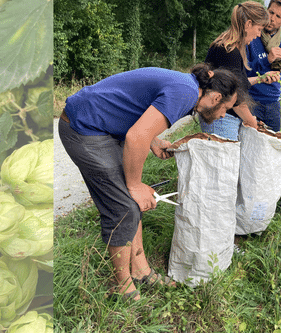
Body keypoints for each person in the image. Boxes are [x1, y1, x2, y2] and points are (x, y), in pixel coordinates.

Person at [58, 64, 248, 301]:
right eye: (226, 109)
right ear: (216, 98)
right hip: (84, 127)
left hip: (102, 127)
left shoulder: (188, 89)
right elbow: (136, 137)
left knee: (130, 202)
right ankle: (122, 287)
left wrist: (154, 140)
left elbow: (138, 115)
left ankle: (140, 271)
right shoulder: (186, 93)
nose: (223, 115)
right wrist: (135, 186)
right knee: (123, 208)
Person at [200, 1, 281, 140]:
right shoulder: (229, 52)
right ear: (248, 24)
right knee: (226, 162)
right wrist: (251, 121)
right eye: (259, 29)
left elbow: (239, 83)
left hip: (224, 117)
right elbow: (235, 96)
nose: (258, 35)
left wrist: (261, 78)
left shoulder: (231, 48)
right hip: (221, 118)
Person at [246, 0, 281, 132]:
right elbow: (244, 70)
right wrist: (267, 59)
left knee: (273, 146)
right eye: (271, 12)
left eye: (278, 16)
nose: (272, 18)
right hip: (251, 100)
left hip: (273, 103)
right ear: (266, 10)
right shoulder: (252, 34)